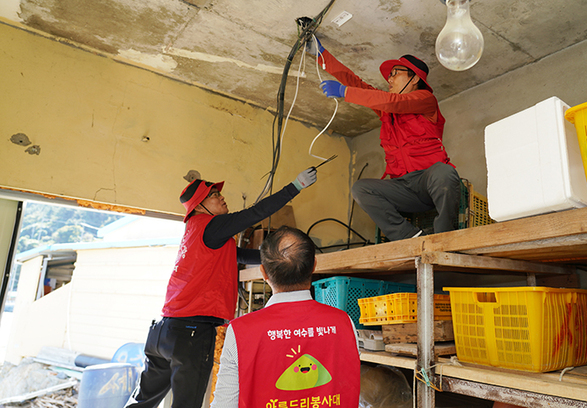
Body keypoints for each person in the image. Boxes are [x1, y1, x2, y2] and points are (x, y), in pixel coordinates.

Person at [125, 168, 318, 408]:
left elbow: (238, 255)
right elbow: (255, 213)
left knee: (142, 402)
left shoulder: (197, 231)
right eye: (214, 194)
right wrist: (295, 186)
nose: (221, 196)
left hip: (163, 331)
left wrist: (281, 255)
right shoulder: (212, 225)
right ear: (199, 205)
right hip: (190, 333)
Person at [311, 38, 461, 241]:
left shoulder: (426, 99)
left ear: (414, 78)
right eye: (389, 75)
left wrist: (345, 93)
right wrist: (321, 55)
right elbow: (356, 83)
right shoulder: (387, 111)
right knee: (361, 188)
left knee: (444, 172)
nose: (389, 79)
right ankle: (410, 237)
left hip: (428, 182)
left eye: (395, 73)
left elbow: (396, 103)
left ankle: (444, 238)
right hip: (402, 189)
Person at [211, 226, 361, 408]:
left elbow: (225, 403)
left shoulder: (241, 331)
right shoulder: (344, 322)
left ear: (263, 273)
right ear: (314, 266)